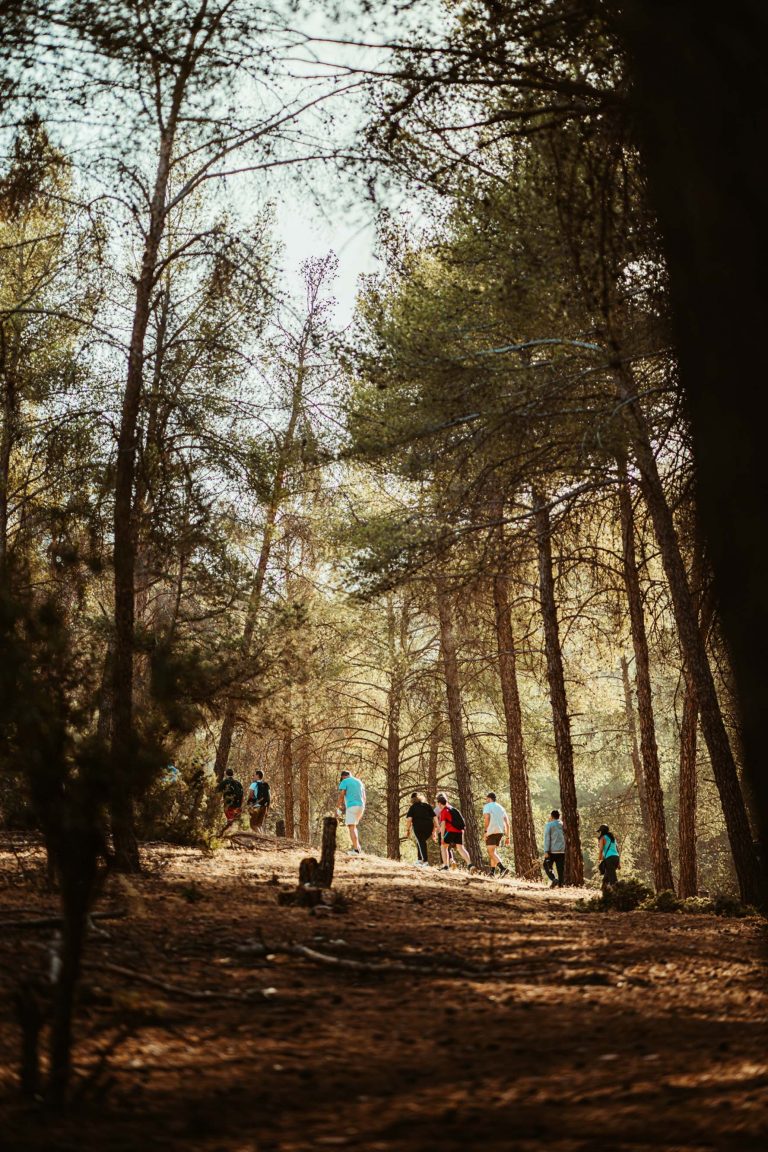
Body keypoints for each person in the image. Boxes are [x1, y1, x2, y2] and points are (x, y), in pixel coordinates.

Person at [435, 793, 473, 870]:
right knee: (461, 848)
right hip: (460, 831)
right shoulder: (453, 809)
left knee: (443, 846)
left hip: (451, 831)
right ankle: (470, 865)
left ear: (439, 803)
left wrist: (442, 837)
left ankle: (446, 866)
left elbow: (443, 825)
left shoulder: (444, 811)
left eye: (438, 804)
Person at [337, 768, 366, 854]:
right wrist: (362, 807)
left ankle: (356, 850)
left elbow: (342, 795)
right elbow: (364, 797)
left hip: (352, 806)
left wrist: (338, 807)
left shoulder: (345, 781)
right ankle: (358, 848)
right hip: (361, 806)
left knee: (351, 827)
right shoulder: (359, 782)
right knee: (354, 826)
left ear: (343, 777)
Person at [405, 791, 438, 866]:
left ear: (412, 800)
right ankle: (419, 860)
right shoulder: (427, 805)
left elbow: (409, 819)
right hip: (429, 827)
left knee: (421, 841)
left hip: (418, 827)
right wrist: (436, 827)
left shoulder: (413, 807)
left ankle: (425, 861)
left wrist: (408, 829)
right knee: (420, 841)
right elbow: (435, 817)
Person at [482, 792, 510, 876]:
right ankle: (492, 872)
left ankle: (502, 868)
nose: (486, 800)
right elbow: (507, 824)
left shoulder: (487, 806)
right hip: (500, 832)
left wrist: (485, 831)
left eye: (486, 799)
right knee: (493, 852)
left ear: (489, 798)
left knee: (491, 852)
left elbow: (487, 818)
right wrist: (508, 837)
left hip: (491, 831)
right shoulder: (501, 807)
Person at [216, 768, 244, 834]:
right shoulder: (238, 783)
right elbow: (242, 795)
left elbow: (217, 792)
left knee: (230, 820)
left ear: (225, 774)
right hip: (237, 805)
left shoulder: (224, 782)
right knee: (233, 820)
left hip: (229, 805)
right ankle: (232, 833)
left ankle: (230, 834)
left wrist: (219, 801)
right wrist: (240, 805)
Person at [543, 809, 566, 888]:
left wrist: (546, 851)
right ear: (559, 816)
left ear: (551, 816)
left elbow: (547, 838)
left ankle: (554, 879)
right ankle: (561, 884)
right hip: (562, 851)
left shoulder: (549, 825)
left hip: (552, 851)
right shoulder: (563, 824)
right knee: (560, 868)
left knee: (546, 865)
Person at [596, 824, 620, 891]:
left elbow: (601, 849)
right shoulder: (613, 838)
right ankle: (603, 890)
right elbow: (617, 850)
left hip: (609, 858)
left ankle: (618, 892)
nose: (600, 833)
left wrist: (599, 859)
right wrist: (619, 863)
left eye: (600, 831)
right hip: (616, 857)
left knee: (612, 878)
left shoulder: (603, 838)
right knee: (607, 876)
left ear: (602, 831)